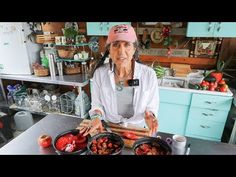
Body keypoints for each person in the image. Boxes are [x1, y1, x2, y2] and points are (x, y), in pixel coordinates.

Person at [81, 24, 159, 136]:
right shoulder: (100, 74)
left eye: (127, 45)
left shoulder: (149, 75)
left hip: (137, 129)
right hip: (109, 128)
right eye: (116, 45)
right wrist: (96, 117)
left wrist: (150, 117)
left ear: (134, 49)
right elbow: (97, 105)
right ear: (109, 49)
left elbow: (152, 107)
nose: (121, 51)